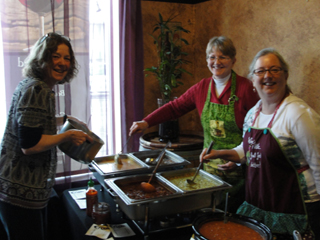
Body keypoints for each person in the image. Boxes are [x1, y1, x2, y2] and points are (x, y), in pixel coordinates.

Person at [129, 36, 260, 212]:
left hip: (241, 171)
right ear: (207, 60)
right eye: (212, 57)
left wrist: (240, 159)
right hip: (209, 169)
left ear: (233, 60)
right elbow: (175, 107)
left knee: (235, 217)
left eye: (223, 57)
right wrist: (147, 121)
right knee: (211, 213)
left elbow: (257, 130)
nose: (217, 62)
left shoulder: (246, 88)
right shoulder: (202, 87)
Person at [201, 48, 320, 239]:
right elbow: (248, 150)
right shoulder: (253, 113)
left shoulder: (298, 114)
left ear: (285, 75)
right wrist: (219, 153)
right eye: (261, 71)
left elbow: (318, 163)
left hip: (296, 207)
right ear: (253, 80)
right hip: (259, 202)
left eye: (274, 70)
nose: (268, 76)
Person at [0, 32, 93, 240]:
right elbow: (30, 145)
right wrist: (68, 135)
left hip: (14, 188)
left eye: (67, 58)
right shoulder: (38, 90)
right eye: (55, 56)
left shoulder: (32, 84)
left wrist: (66, 119)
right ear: (42, 58)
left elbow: (31, 122)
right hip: (20, 192)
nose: (62, 63)